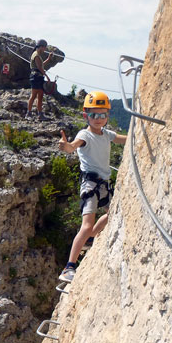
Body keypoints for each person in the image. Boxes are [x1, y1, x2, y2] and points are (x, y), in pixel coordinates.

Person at [57, 91, 127, 282]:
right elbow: (74, 146)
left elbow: (122, 139)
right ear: (85, 115)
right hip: (90, 184)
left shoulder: (106, 134)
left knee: (113, 213)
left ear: (107, 116)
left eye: (103, 114)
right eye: (94, 115)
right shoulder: (84, 134)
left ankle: (89, 238)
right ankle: (69, 267)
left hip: (103, 183)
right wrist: (67, 147)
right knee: (86, 225)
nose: (98, 119)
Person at [26, 39, 52, 120]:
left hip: (38, 77)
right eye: (44, 47)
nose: (45, 49)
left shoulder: (38, 55)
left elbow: (41, 65)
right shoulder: (36, 55)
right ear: (41, 47)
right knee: (33, 95)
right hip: (36, 77)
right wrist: (47, 76)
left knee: (40, 96)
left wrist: (48, 59)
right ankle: (28, 113)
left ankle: (40, 114)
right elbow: (39, 67)